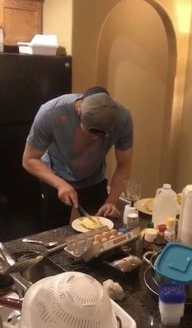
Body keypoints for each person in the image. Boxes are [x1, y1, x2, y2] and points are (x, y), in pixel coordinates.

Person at [22, 86, 133, 228]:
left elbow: (124, 164)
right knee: (54, 234)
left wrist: (111, 201)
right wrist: (60, 184)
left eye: (102, 134)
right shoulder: (50, 113)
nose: (95, 138)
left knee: (102, 231)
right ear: (78, 112)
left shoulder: (123, 118)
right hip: (55, 177)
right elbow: (29, 159)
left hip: (94, 179)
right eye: (91, 131)